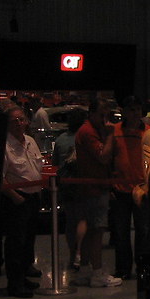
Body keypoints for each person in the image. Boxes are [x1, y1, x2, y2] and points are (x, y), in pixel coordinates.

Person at [74, 96, 122, 288]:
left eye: (107, 115)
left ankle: (85, 270)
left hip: (93, 187)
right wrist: (110, 135)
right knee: (96, 231)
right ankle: (97, 272)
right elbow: (103, 156)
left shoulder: (90, 130)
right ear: (91, 113)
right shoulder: (88, 132)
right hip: (94, 188)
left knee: (91, 230)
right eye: (101, 115)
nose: (105, 120)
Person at [0, 106, 44, 298]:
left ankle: (24, 275)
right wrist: (16, 197)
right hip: (17, 198)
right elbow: (0, 177)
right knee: (15, 243)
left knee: (28, 241)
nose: (19, 123)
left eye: (21, 119)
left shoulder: (30, 141)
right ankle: (15, 283)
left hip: (34, 196)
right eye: (14, 121)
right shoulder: (4, 145)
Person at [110, 96, 149, 279]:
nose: (135, 113)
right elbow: (109, 158)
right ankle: (123, 269)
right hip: (120, 189)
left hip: (142, 189)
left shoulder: (149, 133)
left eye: (138, 109)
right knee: (120, 232)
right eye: (131, 109)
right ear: (124, 111)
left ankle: (142, 268)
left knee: (143, 231)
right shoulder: (114, 131)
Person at [52, 106, 88, 271]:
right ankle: (81, 253)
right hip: (83, 183)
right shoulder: (86, 138)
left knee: (70, 221)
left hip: (66, 184)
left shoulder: (60, 140)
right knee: (83, 219)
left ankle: (73, 254)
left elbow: (55, 163)